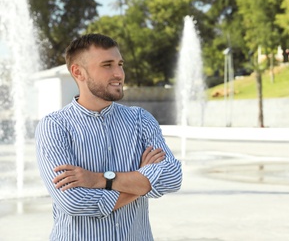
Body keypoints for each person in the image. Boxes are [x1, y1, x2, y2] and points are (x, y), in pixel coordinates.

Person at [35, 33, 182, 241]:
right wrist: (141, 182)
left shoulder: (140, 120)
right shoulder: (55, 126)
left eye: (120, 64)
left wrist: (100, 179)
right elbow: (73, 202)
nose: (119, 73)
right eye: (107, 65)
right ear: (78, 72)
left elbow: (172, 177)